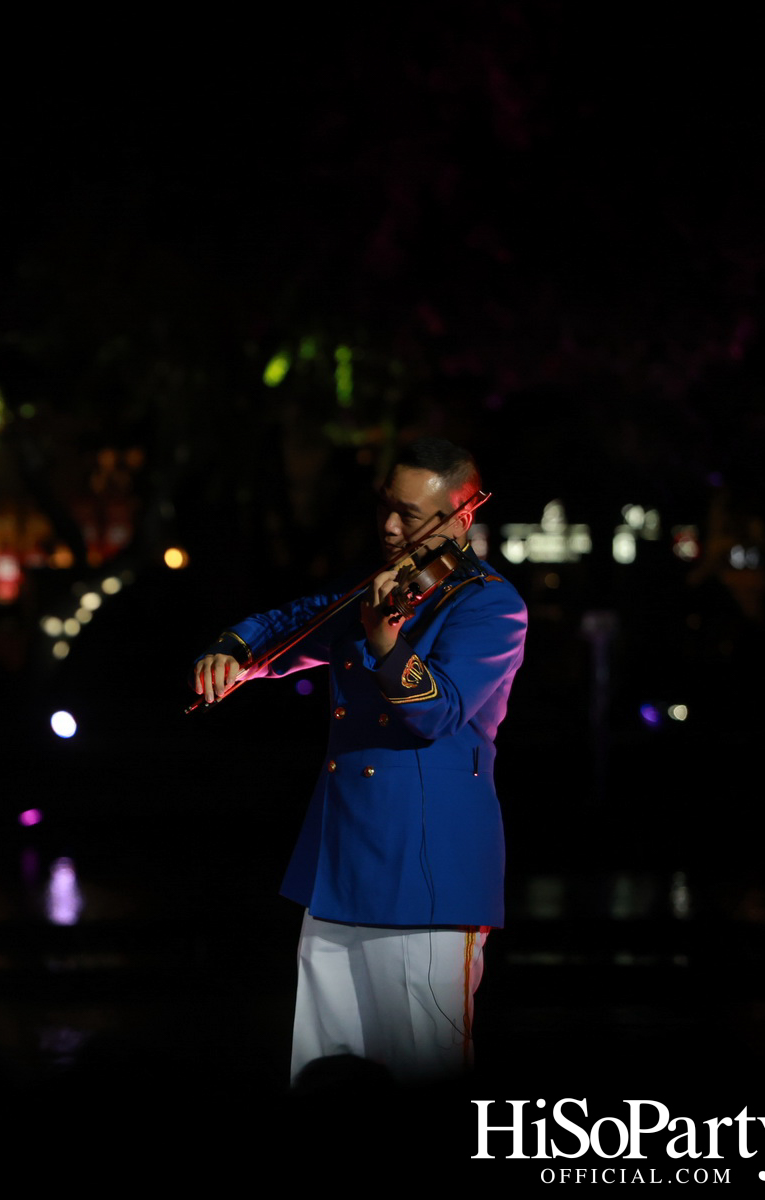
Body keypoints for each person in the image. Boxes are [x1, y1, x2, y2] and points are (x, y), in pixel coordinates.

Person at [192, 439, 527, 1085]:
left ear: (461, 518)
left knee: (423, 1068)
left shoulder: (491, 605)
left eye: (409, 513)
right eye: (386, 509)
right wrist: (233, 652)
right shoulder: (371, 588)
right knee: (324, 1067)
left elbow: (437, 711)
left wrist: (384, 641)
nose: (391, 527)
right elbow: (290, 622)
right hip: (340, 861)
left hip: (426, 871)